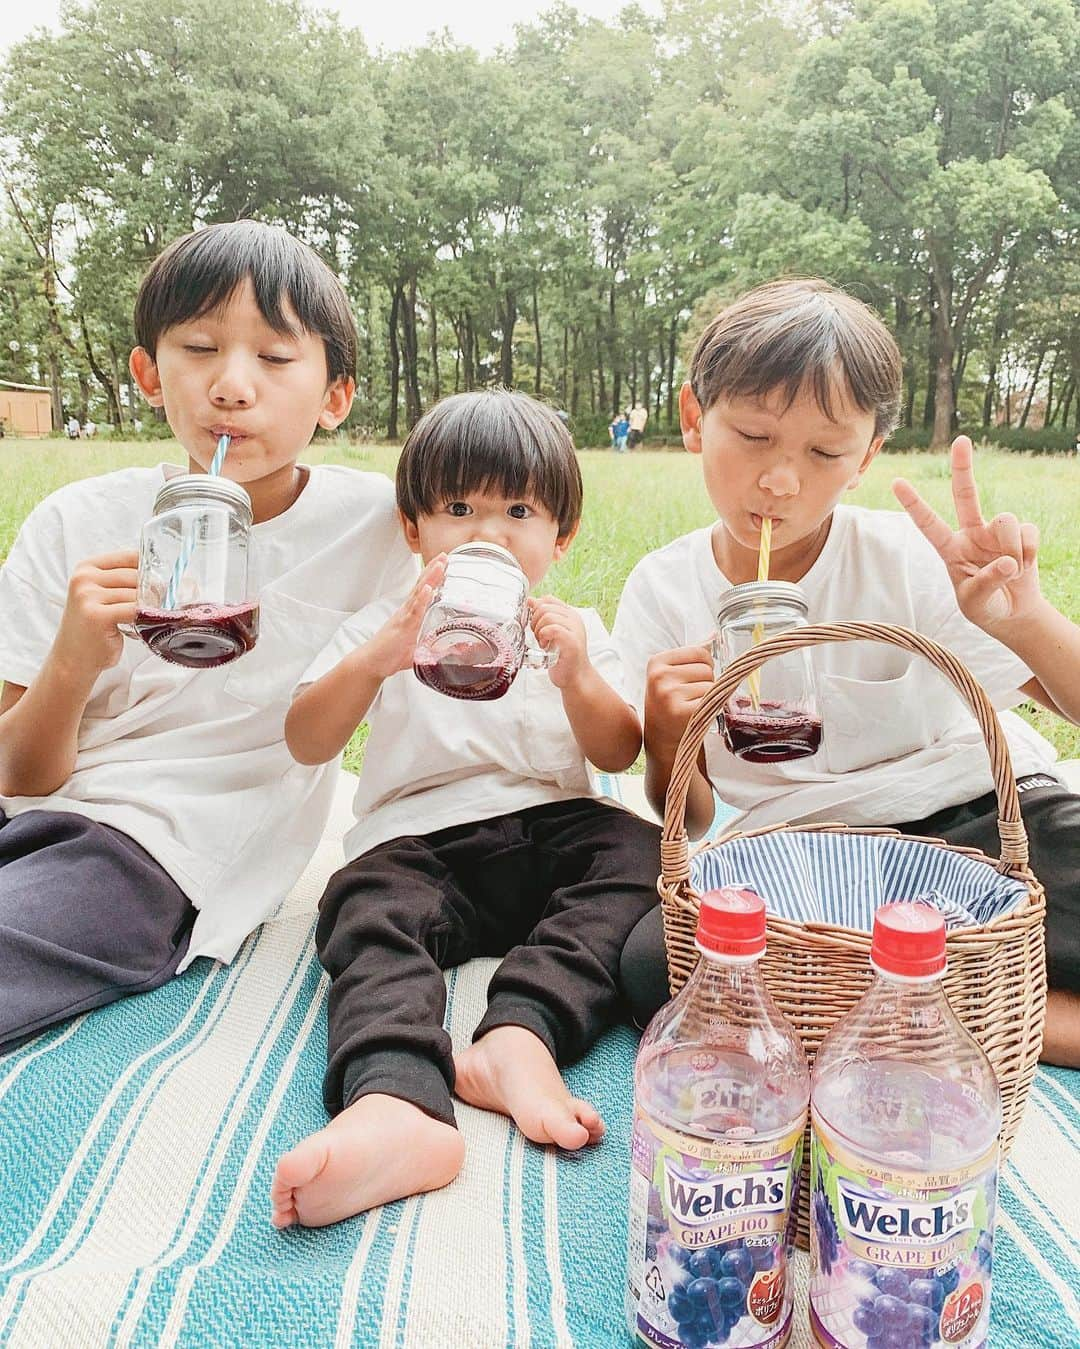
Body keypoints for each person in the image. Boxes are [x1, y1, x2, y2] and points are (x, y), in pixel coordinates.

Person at [613, 277, 1080, 1068]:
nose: (782, 480)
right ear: (695, 419)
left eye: (824, 452)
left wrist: (1022, 617)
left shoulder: (909, 560)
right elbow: (687, 820)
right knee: (658, 965)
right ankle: (962, 1009)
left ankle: (908, 1009)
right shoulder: (664, 590)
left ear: (865, 456)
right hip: (804, 861)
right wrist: (666, 739)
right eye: (754, 436)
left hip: (984, 826)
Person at [0, 220, 416, 1052]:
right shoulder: (75, 522)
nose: (231, 386)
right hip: (31, 805)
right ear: (149, 374)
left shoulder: (378, 527)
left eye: (274, 357)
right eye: (198, 347)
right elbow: (20, 771)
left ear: (335, 396)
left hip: (159, 846)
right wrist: (73, 661)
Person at [270, 389, 661, 1228]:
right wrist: (375, 660)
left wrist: (579, 676)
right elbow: (307, 738)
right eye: (457, 507)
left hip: (548, 827)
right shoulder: (387, 622)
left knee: (642, 853)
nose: (487, 533)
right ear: (413, 529)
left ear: (560, 538)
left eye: (518, 509)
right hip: (419, 846)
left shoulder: (573, 628)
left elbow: (618, 752)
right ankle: (396, 1101)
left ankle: (519, 1033)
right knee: (364, 909)